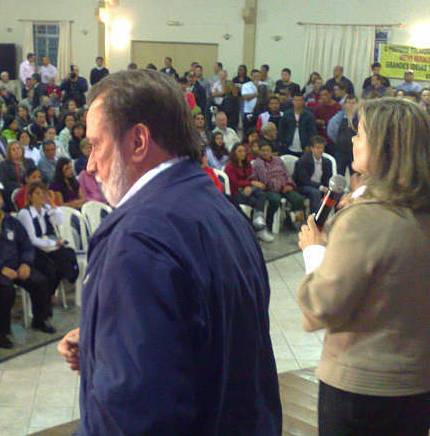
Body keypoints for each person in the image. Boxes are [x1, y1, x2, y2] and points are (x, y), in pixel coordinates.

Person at [56, 70, 281, 434]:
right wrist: (106, 338)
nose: (92, 165)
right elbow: (204, 335)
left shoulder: (136, 240)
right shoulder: (220, 210)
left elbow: (133, 414)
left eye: (97, 145)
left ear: (139, 141)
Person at [296, 97, 430, 434]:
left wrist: (314, 251)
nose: (353, 139)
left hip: (363, 390)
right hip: (421, 383)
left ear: (384, 146)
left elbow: (320, 308)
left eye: (361, 133)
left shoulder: (366, 218)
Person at [0, 187, 57, 347]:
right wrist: (0, 268)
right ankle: (0, 332)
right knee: (6, 288)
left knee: (40, 281)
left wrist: (25, 263)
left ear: (2, 201)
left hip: (16, 265)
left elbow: (26, 245)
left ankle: (39, 319)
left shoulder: (12, 222)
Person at [17, 182, 77, 296]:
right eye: (37, 193)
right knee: (51, 266)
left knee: (67, 255)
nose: (41, 196)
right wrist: (54, 243)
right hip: (33, 249)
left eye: (43, 193)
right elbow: (32, 239)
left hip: (48, 245)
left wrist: (53, 204)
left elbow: (59, 221)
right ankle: (46, 296)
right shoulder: (25, 213)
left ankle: (53, 289)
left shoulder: (46, 208)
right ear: (30, 196)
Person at [224, 143, 274, 242]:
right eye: (239, 151)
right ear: (234, 153)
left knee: (261, 193)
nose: (242, 153)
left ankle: (258, 221)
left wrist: (249, 185)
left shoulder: (247, 164)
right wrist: (250, 183)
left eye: (244, 151)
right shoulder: (229, 166)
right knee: (255, 201)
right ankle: (258, 228)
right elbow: (234, 182)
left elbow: (251, 177)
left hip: (248, 189)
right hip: (235, 193)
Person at [253, 140, 307, 227]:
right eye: (263, 150)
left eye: (268, 150)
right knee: (275, 200)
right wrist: (282, 187)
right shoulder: (258, 163)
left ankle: (293, 222)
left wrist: (289, 185)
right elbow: (265, 180)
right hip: (270, 190)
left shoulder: (278, 160)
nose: (266, 153)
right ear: (259, 151)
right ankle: (269, 223)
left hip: (285, 187)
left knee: (298, 199)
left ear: (271, 151)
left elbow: (286, 173)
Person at [293, 135, 332, 215]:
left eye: (322, 148)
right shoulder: (303, 161)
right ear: (311, 148)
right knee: (316, 193)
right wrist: (320, 187)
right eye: (317, 148)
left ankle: (336, 219)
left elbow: (328, 178)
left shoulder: (327, 162)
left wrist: (329, 188)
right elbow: (303, 180)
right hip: (304, 186)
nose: (320, 150)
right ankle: (315, 219)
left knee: (337, 193)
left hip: (321, 186)